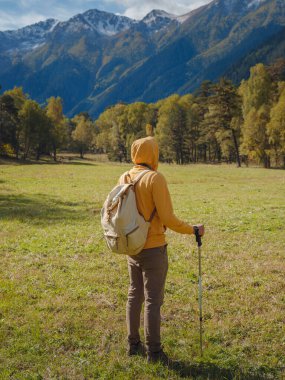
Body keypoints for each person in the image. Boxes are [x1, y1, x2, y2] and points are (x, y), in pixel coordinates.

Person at [118, 136, 204, 364]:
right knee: (153, 301)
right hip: (154, 248)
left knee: (134, 295)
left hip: (132, 245)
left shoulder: (125, 176)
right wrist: (193, 229)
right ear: (153, 154)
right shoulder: (155, 178)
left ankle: (132, 344)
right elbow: (168, 218)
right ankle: (154, 354)